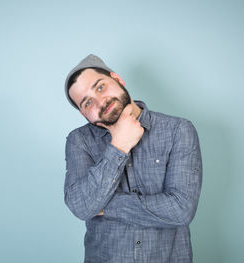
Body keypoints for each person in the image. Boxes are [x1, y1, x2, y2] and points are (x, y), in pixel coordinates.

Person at [64, 54, 202, 263]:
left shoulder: (178, 130)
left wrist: (105, 206)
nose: (101, 102)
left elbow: (181, 210)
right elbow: (81, 206)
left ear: (118, 79)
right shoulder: (79, 141)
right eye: (87, 103)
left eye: (100, 87)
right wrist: (119, 145)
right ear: (85, 115)